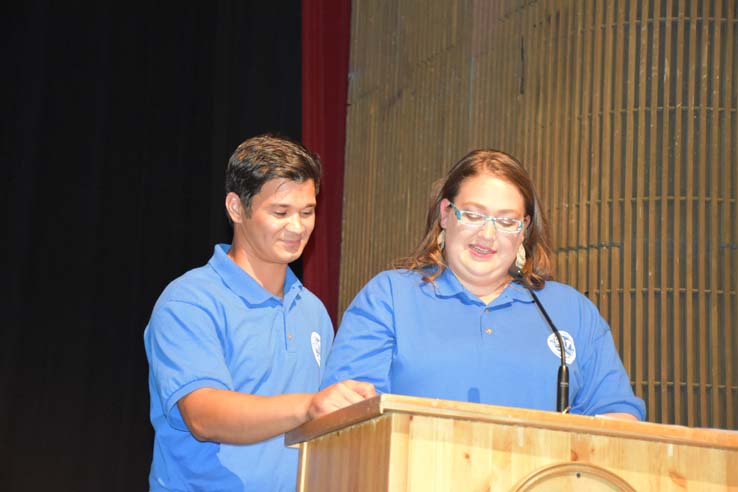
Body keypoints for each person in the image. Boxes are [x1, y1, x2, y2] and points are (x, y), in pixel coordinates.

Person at [321, 149, 645, 420]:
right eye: (474, 216)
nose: (487, 236)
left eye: (506, 221)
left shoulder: (570, 311)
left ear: (524, 230)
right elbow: (349, 414)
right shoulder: (389, 298)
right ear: (446, 214)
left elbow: (616, 413)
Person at [144, 134, 376, 491]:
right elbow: (203, 415)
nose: (298, 227)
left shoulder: (312, 311)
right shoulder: (190, 301)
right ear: (237, 208)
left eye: (308, 212)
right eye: (281, 212)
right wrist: (308, 405)